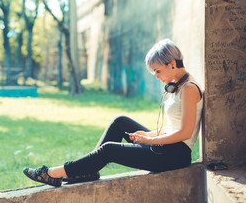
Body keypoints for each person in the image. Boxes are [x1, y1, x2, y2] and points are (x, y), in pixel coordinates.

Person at [23, 39, 203, 187]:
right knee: (120, 122)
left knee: (109, 149)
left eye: (157, 71)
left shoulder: (189, 89)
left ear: (172, 64)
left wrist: (150, 140)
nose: (156, 76)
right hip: (165, 147)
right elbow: (173, 127)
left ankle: (52, 173)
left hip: (174, 155)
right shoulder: (177, 87)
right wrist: (148, 135)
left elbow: (185, 133)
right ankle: (88, 170)